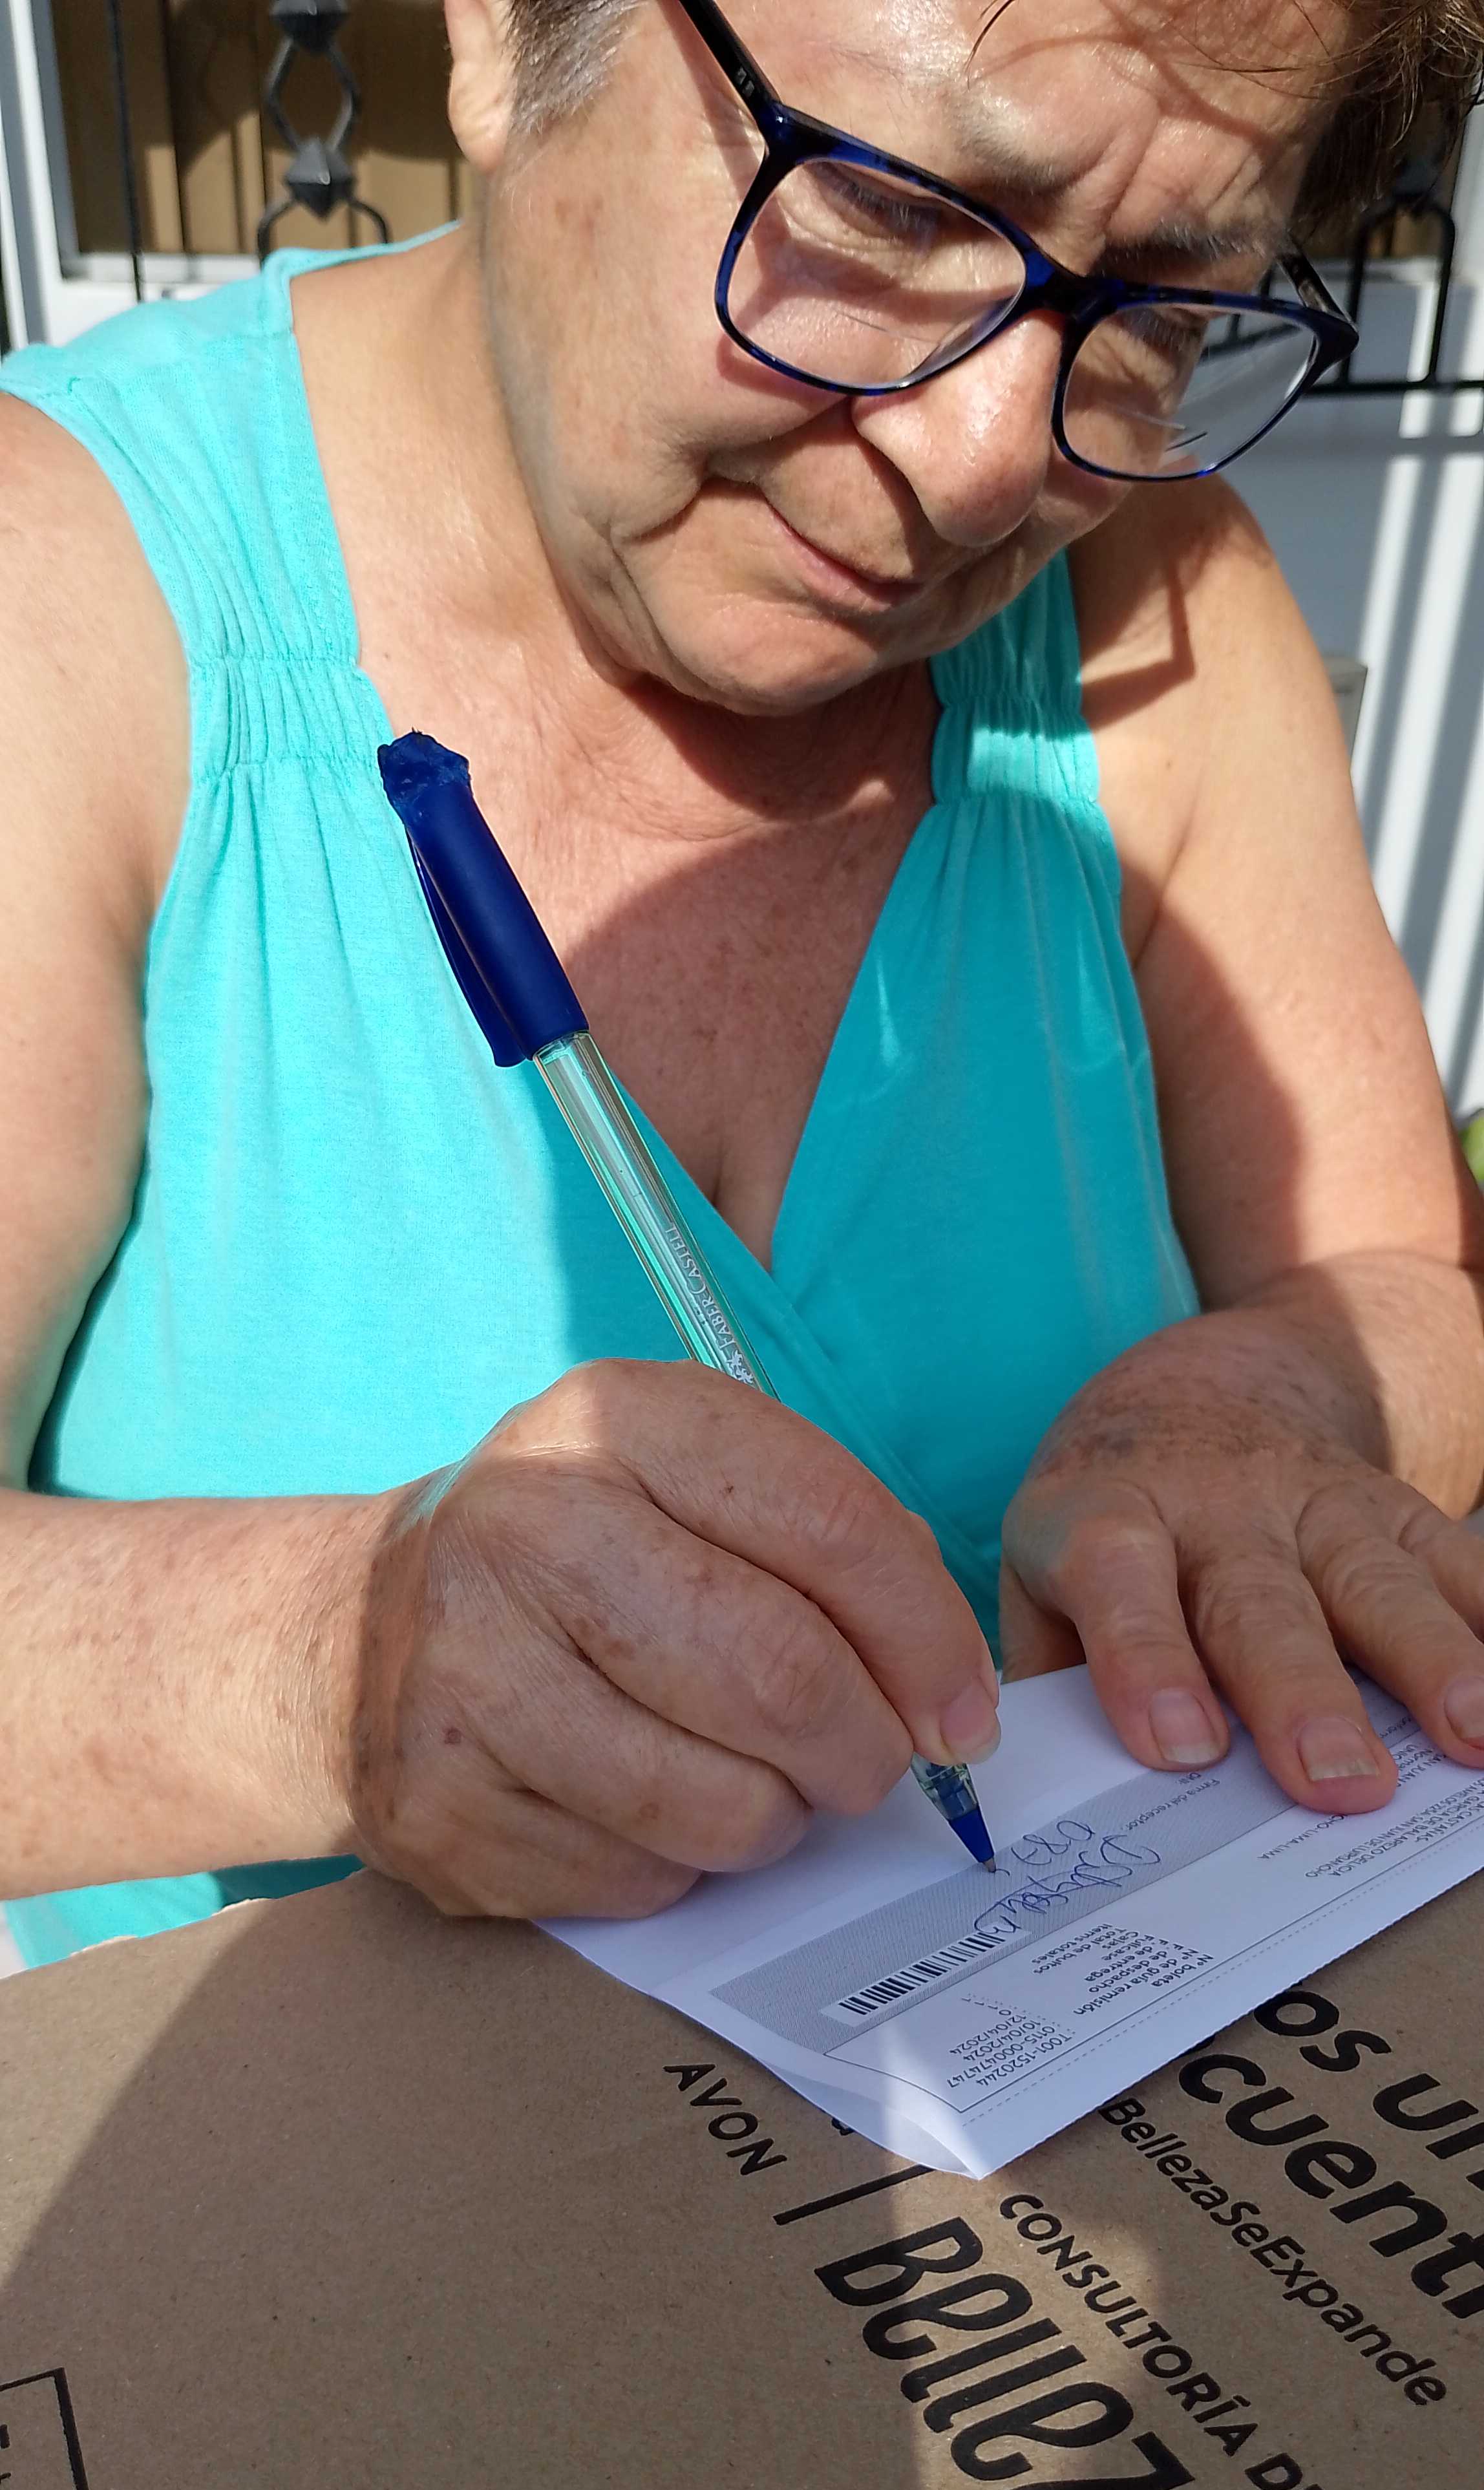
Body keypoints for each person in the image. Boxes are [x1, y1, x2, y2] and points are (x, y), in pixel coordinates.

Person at [3, 0, 1484, 1968]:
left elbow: (1395, 1287)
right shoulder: (56, 598)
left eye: (1160, 307)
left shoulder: (1158, 605)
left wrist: (1251, 1404)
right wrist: (319, 1659)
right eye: (888, 209)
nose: (986, 465)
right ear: (501, 35)